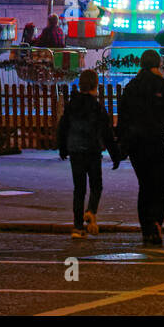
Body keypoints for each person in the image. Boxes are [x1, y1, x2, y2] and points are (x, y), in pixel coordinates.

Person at [116, 48, 164, 246]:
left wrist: (123, 143)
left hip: (139, 145)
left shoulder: (132, 87)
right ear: (158, 64)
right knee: (161, 186)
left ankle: (147, 228)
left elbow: (124, 118)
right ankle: (156, 222)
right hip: (163, 144)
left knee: (145, 186)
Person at [56, 69, 122, 239]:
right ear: (95, 86)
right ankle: (91, 210)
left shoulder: (72, 105)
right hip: (92, 151)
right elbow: (107, 133)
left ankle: (77, 227)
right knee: (96, 186)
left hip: (75, 151)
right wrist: (115, 155)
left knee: (79, 189)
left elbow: (63, 127)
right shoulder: (97, 107)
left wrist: (62, 148)